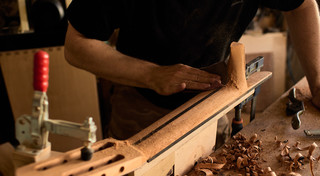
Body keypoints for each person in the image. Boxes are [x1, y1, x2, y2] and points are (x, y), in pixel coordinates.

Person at [64, 0, 320, 141]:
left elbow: (301, 5)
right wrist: (151, 75)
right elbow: (76, 45)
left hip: (213, 99)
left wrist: (317, 81)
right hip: (141, 104)